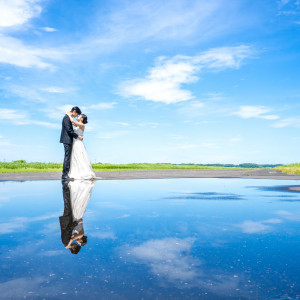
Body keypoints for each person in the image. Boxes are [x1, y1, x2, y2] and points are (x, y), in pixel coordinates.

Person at [66, 112, 96, 180]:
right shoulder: (77, 125)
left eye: (79, 116)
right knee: (75, 158)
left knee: (79, 157)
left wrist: (69, 115)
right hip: (75, 142)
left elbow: (72, 121)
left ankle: (83, 172)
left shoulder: (82, 125)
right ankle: (76, 171)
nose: (78, 116)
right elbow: (72, 123)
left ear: (82, 119)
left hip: (78, 143)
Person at [60, 106, 83, 181]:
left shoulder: (68, 117)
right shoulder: (66, 118)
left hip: (68, 140)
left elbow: (73, 124)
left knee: (68, 157)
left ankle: (66, 174)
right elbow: (69, 130)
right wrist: (77, 136)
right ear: (74, 111)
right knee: (67, 157)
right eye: (77, 114)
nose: (77, 116)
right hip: (67, 140)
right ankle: (65, 175)